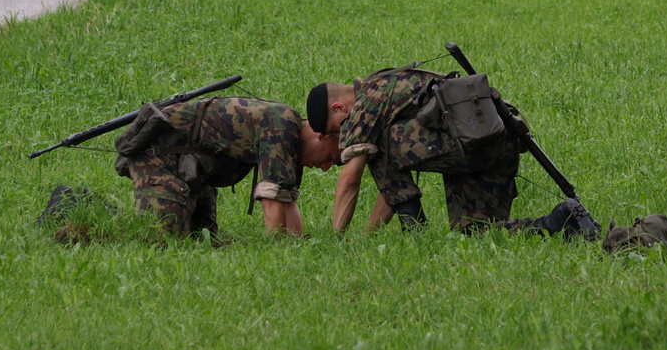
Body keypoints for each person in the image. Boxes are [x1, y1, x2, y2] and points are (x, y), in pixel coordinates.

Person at [307, 69, 588, 236]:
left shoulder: (366, 102)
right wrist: (371, 235)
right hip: (494, 143)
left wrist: (336, 238)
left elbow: (349, 180)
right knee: (477, 233)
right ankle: (561, 222)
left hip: (468, 142)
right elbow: (392, 185)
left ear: (339, 109)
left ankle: (416, 233)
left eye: (337, 130)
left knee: (378, 145)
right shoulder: (387, 83)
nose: (341, 138)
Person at [114, 95, 339, 239]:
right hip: (158, 157)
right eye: (330, 157)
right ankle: (94, 214)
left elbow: (287, 200)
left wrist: (296, 246)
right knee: (162, 240)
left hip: (192, 173)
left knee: (202, 241)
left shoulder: (292, 143)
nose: (326, 168)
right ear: (322, 136)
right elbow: (272, 200)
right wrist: (279, 252)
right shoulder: (283, 125)